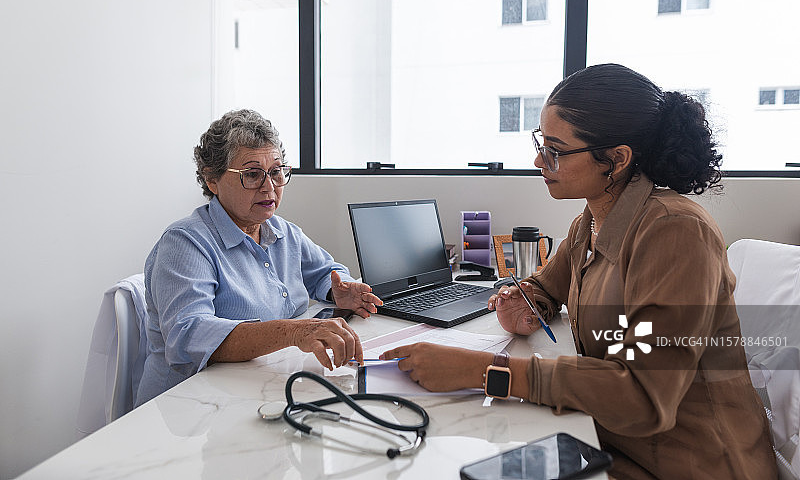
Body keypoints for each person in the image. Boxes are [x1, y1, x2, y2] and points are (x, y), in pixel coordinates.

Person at [380, 64, 777, 479]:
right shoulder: (591, 221)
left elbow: (645, 396)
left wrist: (481, 372)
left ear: (617, 159)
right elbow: (546, 287)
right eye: (540, 142)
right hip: (613, 440)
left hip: (694, 462)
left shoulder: (674, 231)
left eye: (555, 149)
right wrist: (527, 300)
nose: (538, 160)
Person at [136, 109, 381, 405]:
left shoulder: (281, 231)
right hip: (188, 410)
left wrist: (340, 290)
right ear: (212, 180)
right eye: (252, 174)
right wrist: (293, 332)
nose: (269, 187)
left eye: (276, 171)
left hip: (261, 389)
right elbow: (189, 335)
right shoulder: (185, 243)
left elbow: (326, 272)